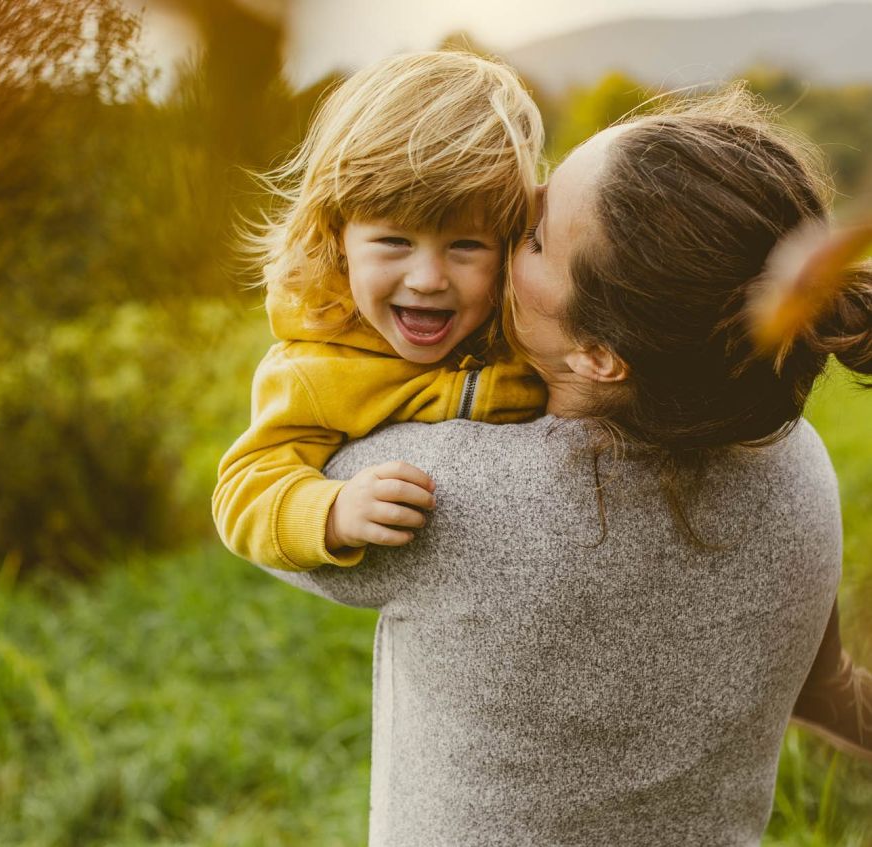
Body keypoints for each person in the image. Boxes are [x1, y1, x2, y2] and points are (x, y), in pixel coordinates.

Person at [246, 85, 872, 845]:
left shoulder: (438, 492)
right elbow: (827, 688)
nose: (513, 221)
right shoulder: (793, 461)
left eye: (533, 236)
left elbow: (266, 495)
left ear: (599, 355)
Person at [212, 50, 546, 575]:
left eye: (465, 245)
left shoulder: (527, 321)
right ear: (337, 237)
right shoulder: (317, 367)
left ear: (508, 245)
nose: (428, 279)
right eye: (394, 241)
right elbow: (244, 489)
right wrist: (332, 512)